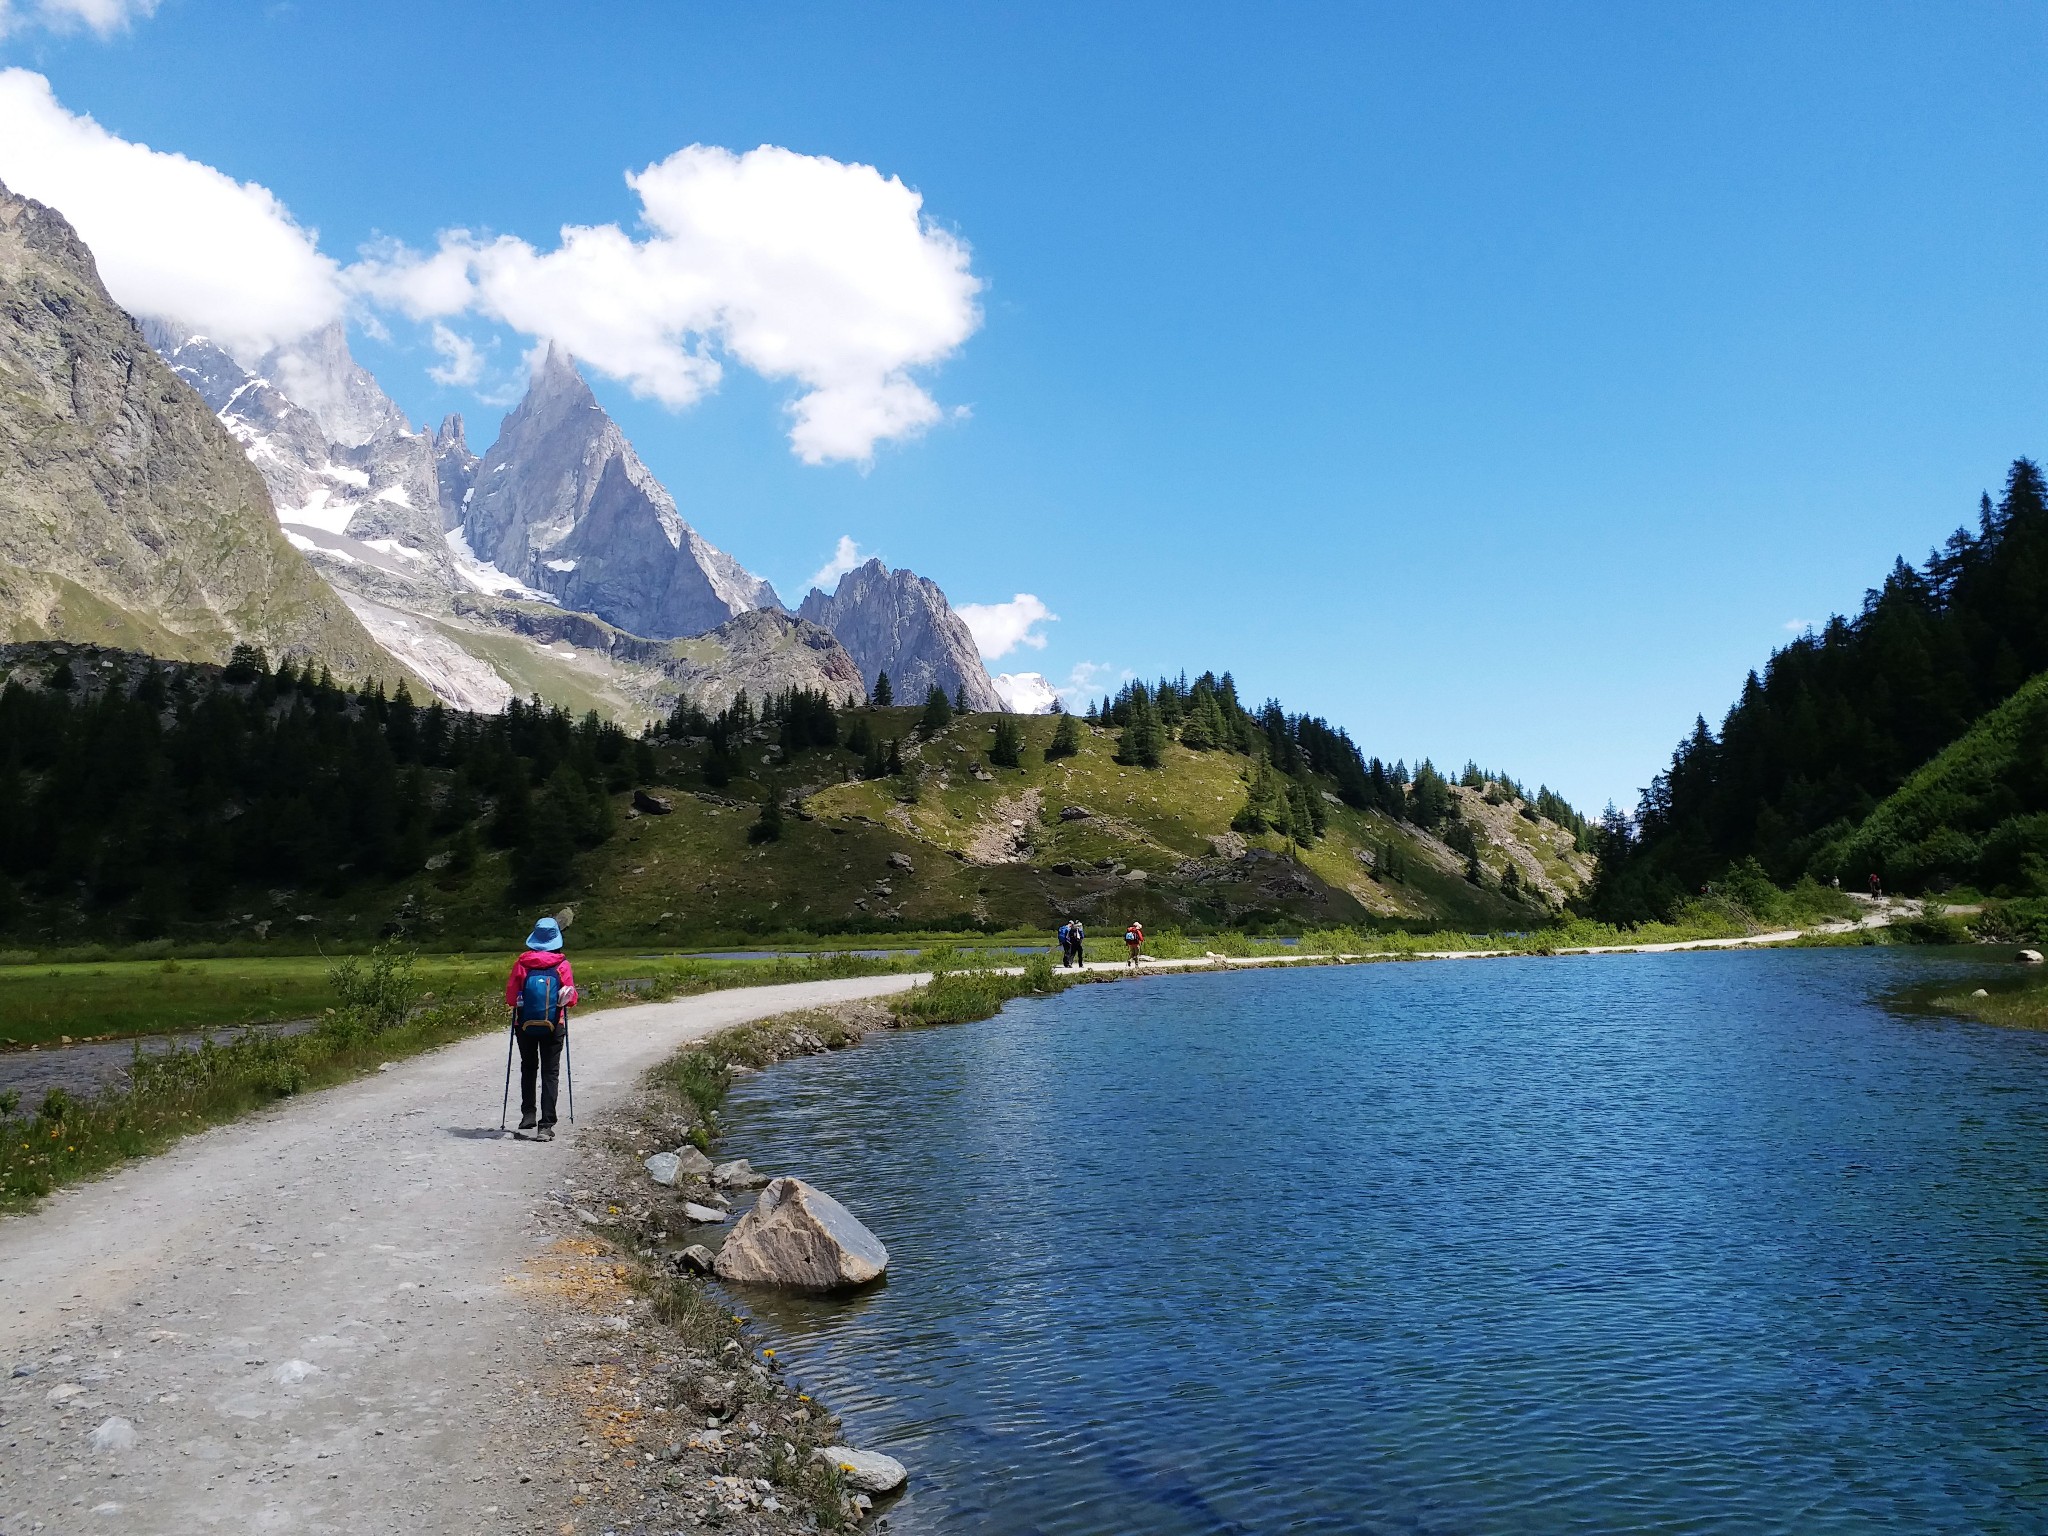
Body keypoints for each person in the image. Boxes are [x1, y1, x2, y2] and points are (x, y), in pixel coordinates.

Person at [506, 916, 578, 1140]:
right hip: (553, 1025)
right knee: (550, 1072)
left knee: (528, 1067)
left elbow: (510, 998)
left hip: (524, 1025)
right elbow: (571, 999)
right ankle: (546, 1125)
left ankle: (528, 1114)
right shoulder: (562, 965)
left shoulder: (522, 964)